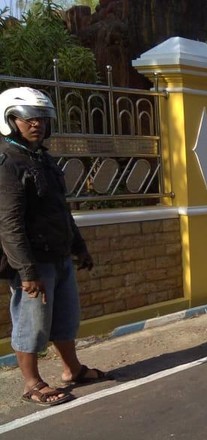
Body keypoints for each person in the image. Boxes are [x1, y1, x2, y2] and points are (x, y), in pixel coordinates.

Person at [0, 87, 108, 406]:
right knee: (31, 324)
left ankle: (72, 369)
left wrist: (79, 247)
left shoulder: (42, 158)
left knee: (65, 318)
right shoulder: (8, 164)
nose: (37, 125)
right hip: (34, 262)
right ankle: (32, 382)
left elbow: (61, 209)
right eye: (29, 118)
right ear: (9, 119)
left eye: (42, 119)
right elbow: (9, 224)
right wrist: (27, 271)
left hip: (59, 255)